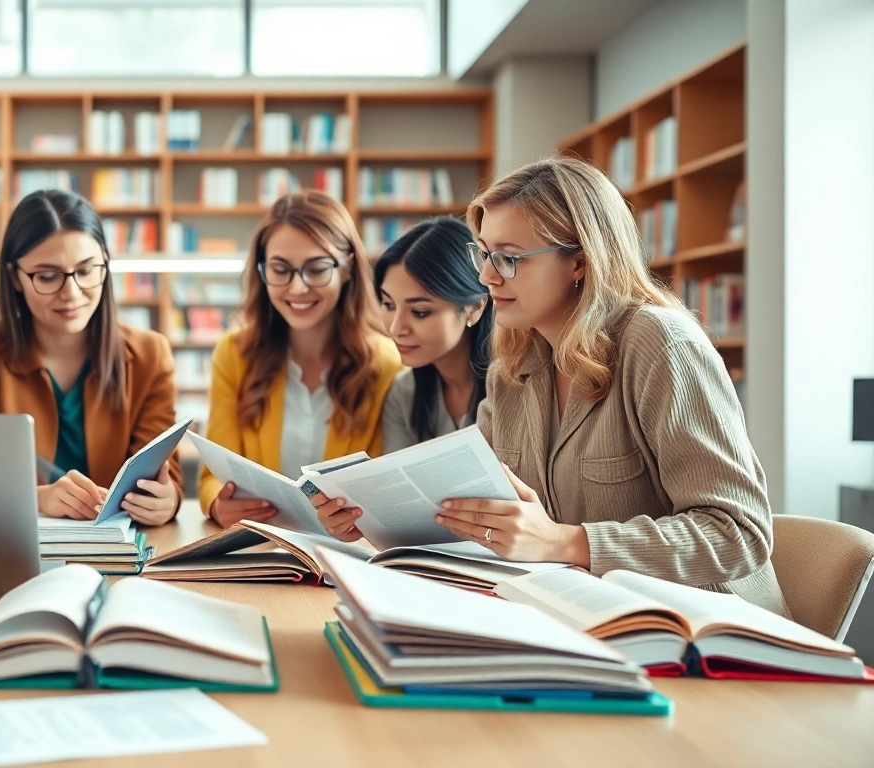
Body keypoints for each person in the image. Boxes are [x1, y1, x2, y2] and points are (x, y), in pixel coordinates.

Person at [437, 157, 787, 615]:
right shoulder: (514, 369)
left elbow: (737, 533)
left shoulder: (661, 345)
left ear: (579, 262)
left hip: (710, 632)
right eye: (483, 253)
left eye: (509, 258)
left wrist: (566, 542)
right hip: (592, 618)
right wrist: (369, 518)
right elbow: (479, 503)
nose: (486, 276)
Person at [0, 190, 182, 526]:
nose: (71, 293)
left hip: (121, 550)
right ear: (15, 277)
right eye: (47, 276)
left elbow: (166, 474)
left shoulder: (150, 355)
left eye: (86, 271)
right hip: (14, 547)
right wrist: (38, 497)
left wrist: (166, 500)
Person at [199, 191, 401, 529]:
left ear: (348, 268)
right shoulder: (234, 354)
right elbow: (210, 479)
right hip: (259, 555)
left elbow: (383, 494)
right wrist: (219, 505)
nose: (297, 287)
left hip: (345, 556)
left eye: (316, 269)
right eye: (281, 270)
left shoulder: (388, 364)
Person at [318, 216, 491, 541]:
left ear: (474, 308)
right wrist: (358, 519)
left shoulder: (517, 391)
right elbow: (399, 509)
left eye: (420, 311)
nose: (396, 327)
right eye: (387, 305)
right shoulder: (403, 392)